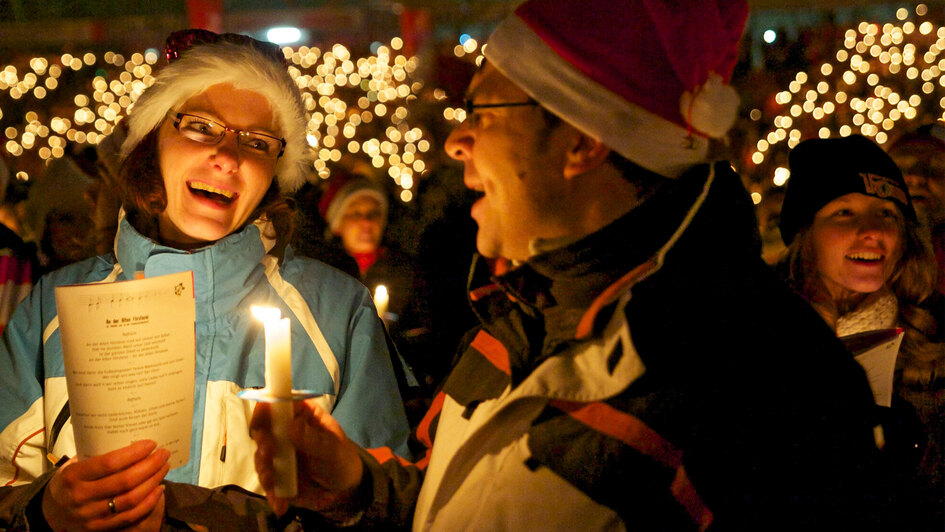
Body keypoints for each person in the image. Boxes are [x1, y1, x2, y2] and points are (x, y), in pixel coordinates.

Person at [250, 1, 888, 530]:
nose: (455, 141)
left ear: (583, 141)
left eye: (484, 112)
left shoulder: (767, 389)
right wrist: (357, 485)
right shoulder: (515, 308)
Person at [0, 29, 411, 530]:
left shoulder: (339, 312)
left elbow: (385, 506)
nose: (229, 156)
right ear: (153, 140)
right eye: (199, 126)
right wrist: (45, 512)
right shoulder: (51, 307)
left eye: (257, 142)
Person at [778, 134, 943, 531]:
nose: (872, 231)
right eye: (844, 213)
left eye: (886, 214)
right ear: (807, 234)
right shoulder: (753, 340)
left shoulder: (932, 340)